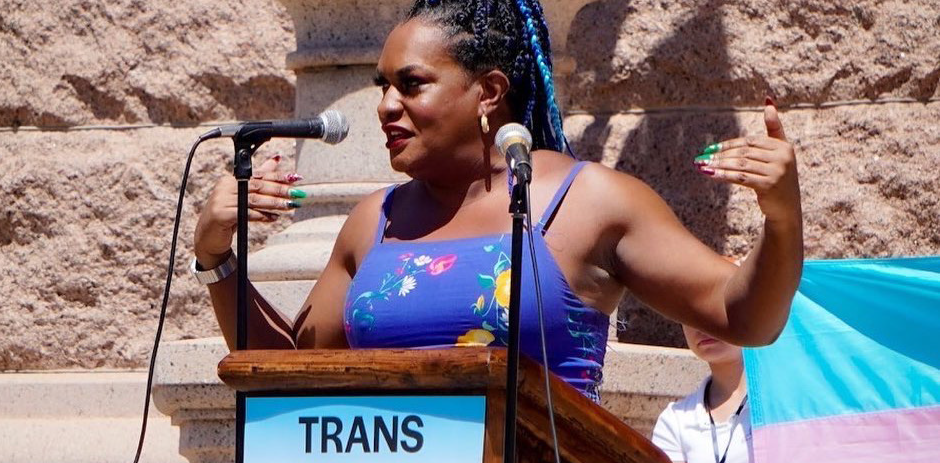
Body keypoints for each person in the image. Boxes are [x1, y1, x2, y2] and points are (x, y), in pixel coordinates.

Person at [190, 0, 803, 402]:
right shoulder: (373, 222)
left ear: (488, 92)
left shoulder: (590, 201)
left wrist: (781, 215)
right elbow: (290, 377)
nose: (384, 106)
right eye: (382, 87)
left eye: (410, 84)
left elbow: (745, 316)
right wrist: (217, 257)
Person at [651, 324, 752, 463]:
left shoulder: (784, 402)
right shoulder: (675, 420)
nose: (703, 326)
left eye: (718, 308)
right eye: (690, 314)